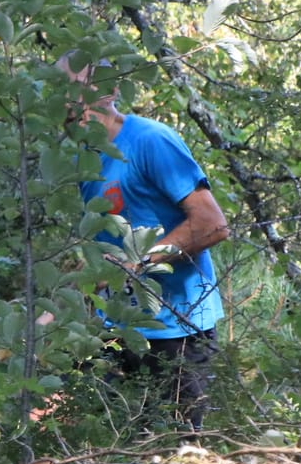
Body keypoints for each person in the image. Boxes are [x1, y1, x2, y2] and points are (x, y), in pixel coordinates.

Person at [61, 55, 230, 430]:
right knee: (108, 444)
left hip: (178, 330)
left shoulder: (151, 141)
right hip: (118, 331)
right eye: (61, 93)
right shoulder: (84, 160)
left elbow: (211, 224)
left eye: (76, 92)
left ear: (108, 91)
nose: (67, 104)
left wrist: (134, 266)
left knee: (177, 452)